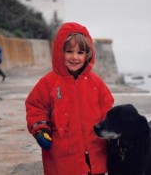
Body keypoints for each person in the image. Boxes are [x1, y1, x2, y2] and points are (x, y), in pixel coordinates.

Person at [25, 22, 114, 175]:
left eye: (80, 53)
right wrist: (40, 130)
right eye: (69, 51)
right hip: (62, 159)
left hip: (95, 154)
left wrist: (113, 131)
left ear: (88, 55)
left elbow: (108, 108)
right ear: (60, 52)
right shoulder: (48, 82)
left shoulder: (96, 83)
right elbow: (35, 106)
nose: (75, 57)